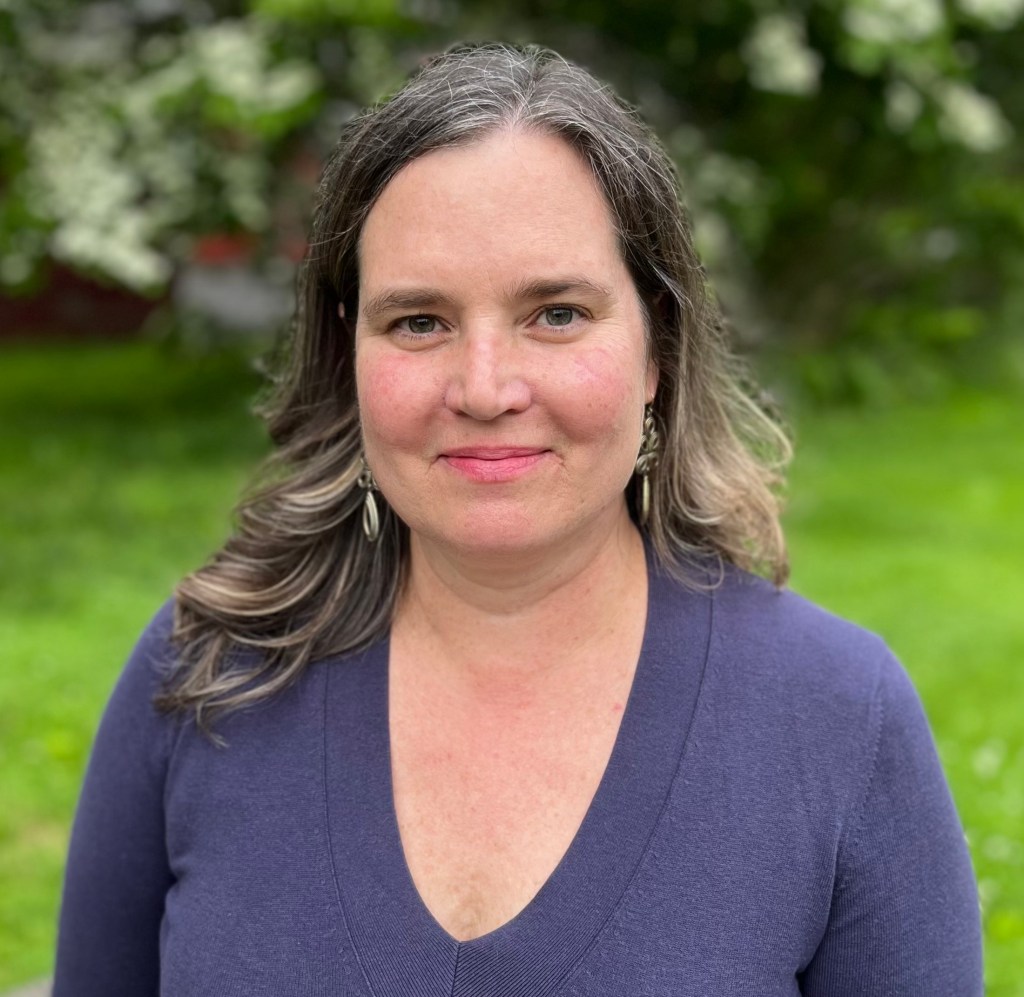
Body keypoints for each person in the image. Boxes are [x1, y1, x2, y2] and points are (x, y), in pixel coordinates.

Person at [53, 43, 982, 996]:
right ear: (349, 353)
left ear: (658, 348)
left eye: (556, 313)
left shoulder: (838, 719)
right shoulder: (204, 677)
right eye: (419, 321)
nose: (485, 388)